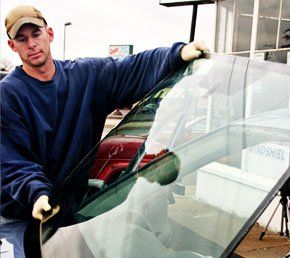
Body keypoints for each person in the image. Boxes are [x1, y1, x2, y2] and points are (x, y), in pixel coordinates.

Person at [1, 5, 209, 227]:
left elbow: (131, 69)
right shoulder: (8, 94)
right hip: (23, 214)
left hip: (68, 208)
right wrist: (37, 193)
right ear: (12, 45)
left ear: (49, 34)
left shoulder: (85, 77)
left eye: (36, 34)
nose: (31, 44)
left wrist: (175, 55)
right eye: (22, 39)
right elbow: (13, 160)